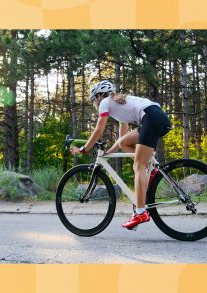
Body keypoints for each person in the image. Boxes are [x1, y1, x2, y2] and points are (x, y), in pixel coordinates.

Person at [71, 80, 171, 230]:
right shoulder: (119, 105)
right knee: (126, 144)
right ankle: (152, 167)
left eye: (93, 100)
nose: (95, 104)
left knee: (138, 166)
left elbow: (99, 130)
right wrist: (109, 153)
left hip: (152, 119)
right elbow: (121, 141)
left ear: (99, 96)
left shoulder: (105, 102)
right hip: (157, 117)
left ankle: (140, 212)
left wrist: (84, 149)